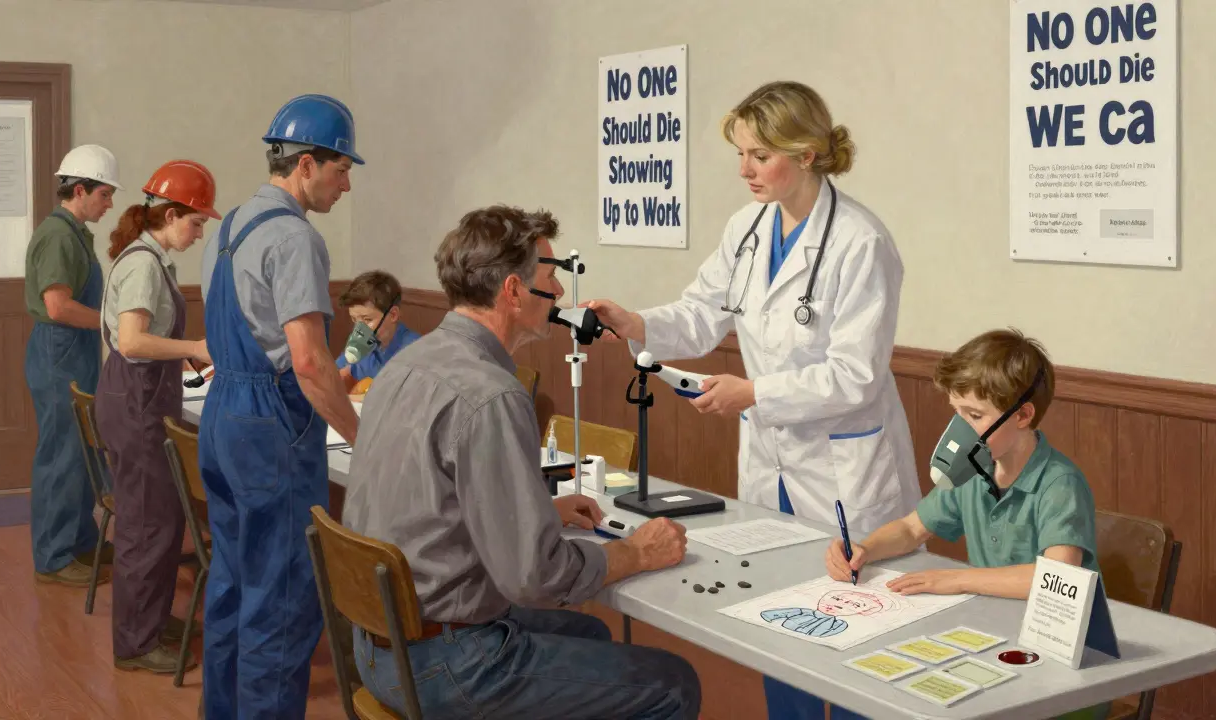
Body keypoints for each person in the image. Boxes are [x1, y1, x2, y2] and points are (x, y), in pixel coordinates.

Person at [585, 80, 921, 719]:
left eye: (759, 155)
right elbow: (702, 313)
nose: (744, 170)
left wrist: (752, 393)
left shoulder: (861, 242)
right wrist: (635, 322)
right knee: (781, 628)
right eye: (739, 153)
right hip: (773, 461)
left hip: (844, 468)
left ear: (808, 153)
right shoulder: (747, 228)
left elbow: (855, 375)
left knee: (859, 638)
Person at [342, 205, 701, 720]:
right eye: (551, 280)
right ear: (513, 291)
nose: (558, 295)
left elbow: (426, 503)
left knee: (591, 633)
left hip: (378, 645)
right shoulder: (491, 394)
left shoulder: (405, 366)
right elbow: (537, 577)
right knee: (672, 682)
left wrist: (538, 512)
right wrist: (637, 554)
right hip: (444, 664)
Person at [825, 329, 1109, 720]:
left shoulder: (1059, 483)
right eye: (956, 412)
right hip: (995, 644)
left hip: (1062, 671)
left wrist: (957, 579)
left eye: (974, 416)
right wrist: (866, 548)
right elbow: (911, 529)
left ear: (1023, 415)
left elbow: (1055, 579)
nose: (959, 430)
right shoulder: (977, 472)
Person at [197, 93, 363, 719]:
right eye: (341, 169)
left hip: (223, 416)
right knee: (284, 598)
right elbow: (311, 363)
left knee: (234, 584)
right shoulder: (295, 237)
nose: (345, 186)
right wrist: (359, 435)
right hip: (271, 426)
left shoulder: (230, 223)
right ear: (305, 165)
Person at [94, 160, 218, 674]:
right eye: (195, 223)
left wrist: (184, 356)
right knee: (148, 526)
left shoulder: (148, 255)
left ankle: (146, 619)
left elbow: (147, 337)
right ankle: (136, 644)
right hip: (136, 400)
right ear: (170, 215)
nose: (197, 234)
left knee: (160, 521)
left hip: (139, 396)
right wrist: (194, 345)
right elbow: (131, 341)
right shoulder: (144, 263)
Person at [24, 143, 121, 586]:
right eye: (104, 194)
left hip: (74, 353)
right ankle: (54, 556)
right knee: (61, 455)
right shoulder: (59, 235)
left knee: (80, 452)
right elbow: (59, 306)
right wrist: (111, 323)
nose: (109, 204)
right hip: (59, 351)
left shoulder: (76, 232)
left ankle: (82, 542)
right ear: (79, 190)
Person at [335, 270, 420, 392]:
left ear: (393, 315)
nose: (359, 330)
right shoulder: (362, 347)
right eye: (354, 320)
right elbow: (335, 374)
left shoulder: (414, 351)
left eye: (367, 319)